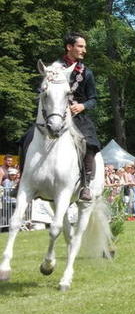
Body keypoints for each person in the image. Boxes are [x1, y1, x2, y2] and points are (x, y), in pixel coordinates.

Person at [20, 32, 100, 201]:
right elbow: (41, 89)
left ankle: (85, 185)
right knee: (26, 138)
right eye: (80, 46)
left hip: (77, 117)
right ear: (69, 47)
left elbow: (93, 99)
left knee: (91, 142)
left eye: (84, 47)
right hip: (54, 114)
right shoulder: (54, 68)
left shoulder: (87, 73)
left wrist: (82, 106)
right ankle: (22, 181)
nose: (84, 50)